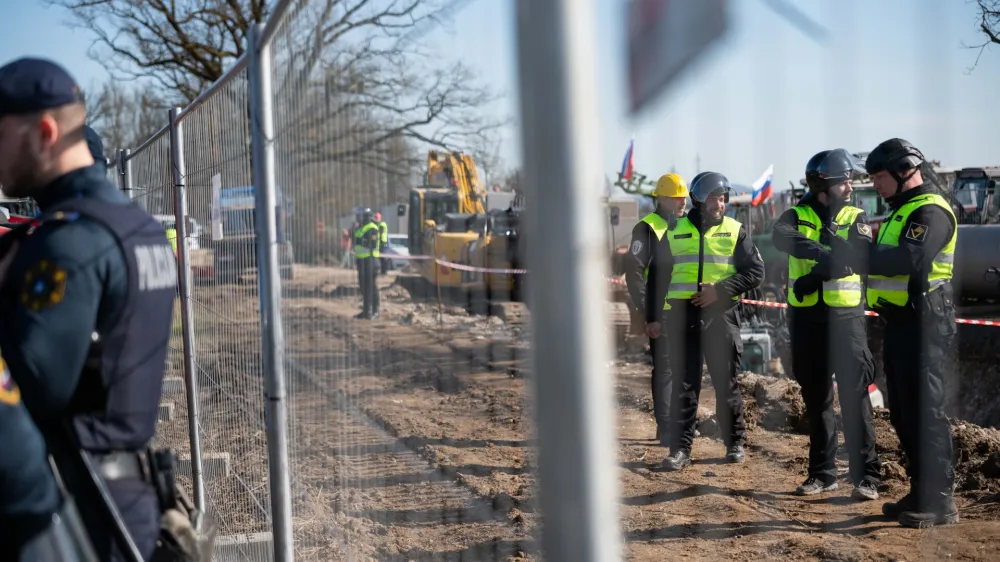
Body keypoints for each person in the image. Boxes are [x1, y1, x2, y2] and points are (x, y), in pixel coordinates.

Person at [0, 57, 179, 560]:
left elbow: (31, 389)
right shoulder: (136, 226)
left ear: (45, 131)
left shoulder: (70, 241)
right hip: (124, 497)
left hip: (74, 513)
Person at [771, 148, 881, 500]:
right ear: (823, 183)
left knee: (855, 397)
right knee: (816, 398)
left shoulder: (855, 215)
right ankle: (822, 474)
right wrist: (828, 257)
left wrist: (814, 278)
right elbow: (783, 238)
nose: (850, 187)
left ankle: (867, 477)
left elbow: (858, 255)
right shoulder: (795, 215)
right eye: (844, 180)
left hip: (846, 319)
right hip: (807, 321)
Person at [863, 138, 958, 528]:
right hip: (901, 324)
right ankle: (920, 490)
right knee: (903, 412)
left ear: (905, 172)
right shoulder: (901, 212)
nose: (876, 186)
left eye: (880, 177)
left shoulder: (930, 211)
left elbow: (909, 258)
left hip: (926, 326)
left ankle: (940, 501)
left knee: (925, 413)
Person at [659, 172, 764, 470]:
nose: (722, 204)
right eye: (716, 198)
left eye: (723, 198)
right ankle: (680, 451)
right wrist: (654, 317)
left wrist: (718, 292)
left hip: (722, 316)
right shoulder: (675, 231)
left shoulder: (735, 230)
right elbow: (660, 278)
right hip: (683, 317)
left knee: (726, 384)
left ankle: (735, 444)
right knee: (684, 385)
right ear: (699, 200)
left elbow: (755, 272)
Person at [624, 173, 688, 446]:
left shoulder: (688, 225)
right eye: (676, 198)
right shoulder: (647, 228)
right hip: (660, 312)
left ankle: (683, 424)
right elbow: (634, 271)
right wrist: (647, 308)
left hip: (686, 309)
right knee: (665, 370)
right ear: (661, 199)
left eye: (683, 197)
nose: (682, 202)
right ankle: (666, 426)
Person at [354, 207, 381, 319]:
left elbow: (371, 244)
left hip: (370, 261)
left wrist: (361, 241)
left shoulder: (372, 228)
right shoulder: (361, 228)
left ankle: (374, 311)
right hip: (362, 261)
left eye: (361, 216)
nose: (359, 218)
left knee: (371, 287)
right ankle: (366, 311)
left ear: (367, 217)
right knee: (363, 287)